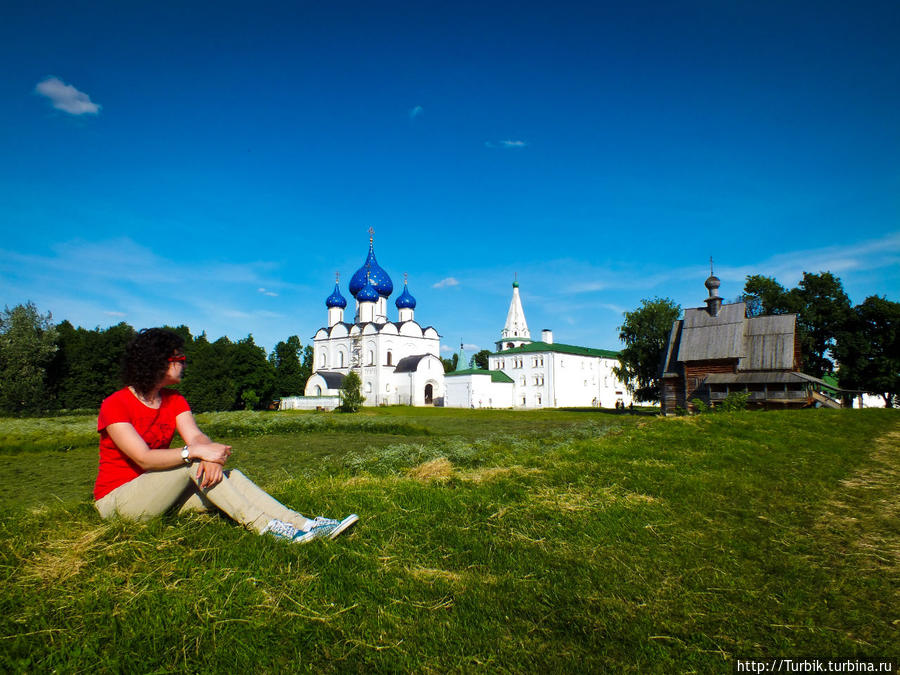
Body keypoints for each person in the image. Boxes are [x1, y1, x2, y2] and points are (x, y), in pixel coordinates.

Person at [93, 327, 357, 543]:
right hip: (119, 502)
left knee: (232, 477)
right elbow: (144, 458)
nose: (184, 365)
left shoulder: (173, 400)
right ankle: (266, 528)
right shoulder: (116, 404)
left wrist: (208, 455)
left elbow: (196, 437)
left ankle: (303, 524)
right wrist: (195, 454)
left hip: (160, 495)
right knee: (192, 464)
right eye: (180, 360)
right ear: (159, 362)